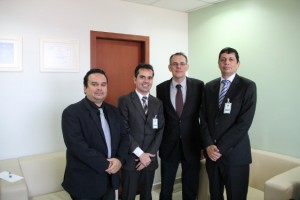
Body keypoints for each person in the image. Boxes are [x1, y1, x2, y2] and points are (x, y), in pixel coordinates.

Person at [61, 68, 130, 200]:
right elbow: (77, 146)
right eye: (94, 84)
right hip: (84, 182)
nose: (99, 88)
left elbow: (125, 137)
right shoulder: (72, 113)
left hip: (110, 180)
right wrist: (108, 165)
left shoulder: (114, 111)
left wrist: (120, 160)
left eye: (103, 85)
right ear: (85, 88)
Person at [200, 47, 257, 200]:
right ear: (219, 63)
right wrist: (208, 145)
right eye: (223, 59)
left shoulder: (247, 86)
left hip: (235, 155)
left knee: (236, 196)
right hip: (212, 155)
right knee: (215, 196)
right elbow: (203, 118)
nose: (227, 62)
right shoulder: (209, 86)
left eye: (231, 59)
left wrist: (220, 148)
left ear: (238, 63)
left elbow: (244, 123)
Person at [156, 52, 204, 200]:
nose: (179, 66)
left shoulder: (199, 85)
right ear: (169, 67)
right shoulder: (161, 88)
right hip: (169, 144)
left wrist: (203, 143)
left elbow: (204, 116)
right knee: (166, 187)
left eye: (182, 63)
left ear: (187, 66)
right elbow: (160, 116)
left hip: (192, 144)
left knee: (190, 186)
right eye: (175, 64)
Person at [118, 63, 164, 200]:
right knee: (128, 195)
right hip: (131, 159)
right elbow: (124, 130)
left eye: (149, 78)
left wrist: (148, 156)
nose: (146, 81)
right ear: (135, 79)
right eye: (142, 77)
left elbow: (160, 130)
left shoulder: (158, 103)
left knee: (147, 195)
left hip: (150, 159)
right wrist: (140, 154)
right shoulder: (124, 101)